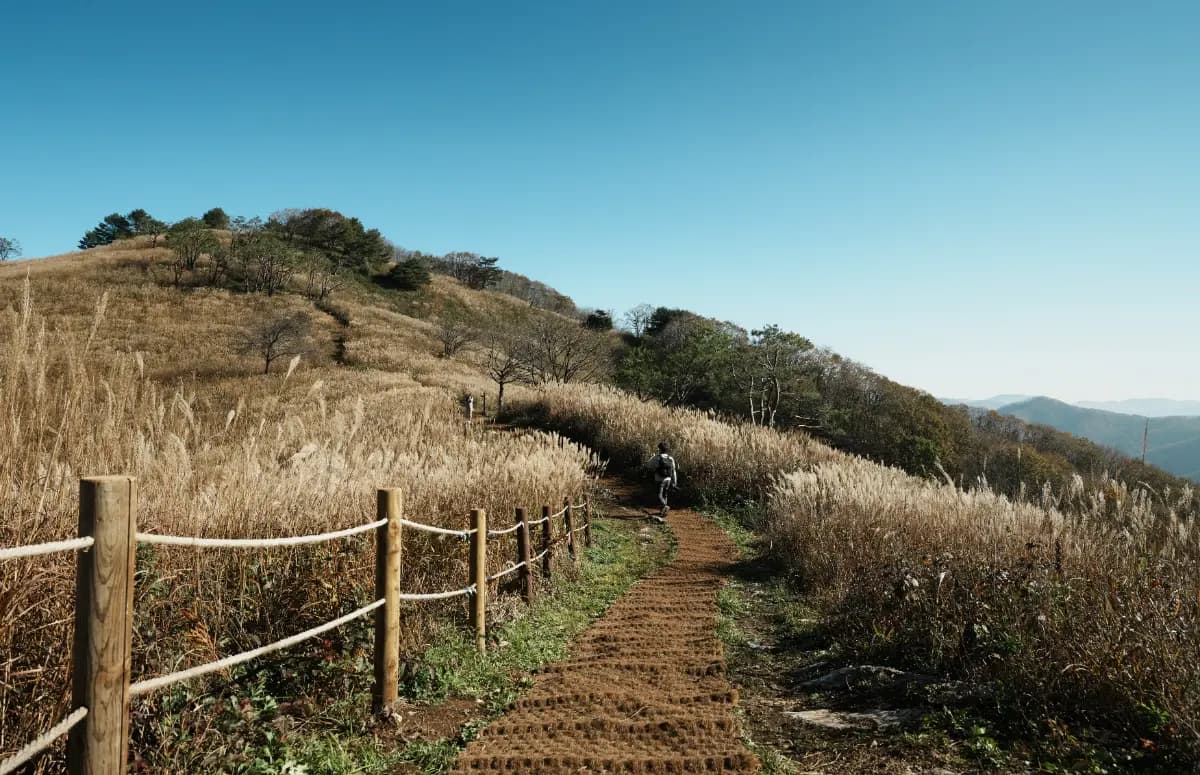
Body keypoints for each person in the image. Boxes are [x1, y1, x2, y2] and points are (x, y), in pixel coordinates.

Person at [645, 442, 679, 518]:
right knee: (665, 494)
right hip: (668, 479)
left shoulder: (657, 457)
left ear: (659, 449)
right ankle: (663, 512)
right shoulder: (670, 458)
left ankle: (664, 506)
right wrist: (675, 481)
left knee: (659, 495)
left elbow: (647, 465)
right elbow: (674, 470)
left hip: (659, 479)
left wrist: (651, 457)